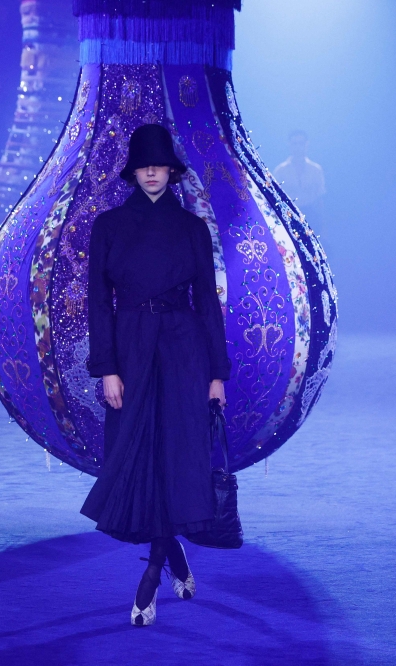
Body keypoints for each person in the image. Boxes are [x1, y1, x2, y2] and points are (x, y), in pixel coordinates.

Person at [82, 124, 231, 627]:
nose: (151, 171)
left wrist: (217, 372)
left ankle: (151, 575)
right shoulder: (109, 227)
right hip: (130, 350)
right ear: (133, 171)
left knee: (178, 458)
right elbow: (98, 304)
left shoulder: (193, 229)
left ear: (171, 169)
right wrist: (106, 368)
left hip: (185, 350)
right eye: (143, 164)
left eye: (159, 164)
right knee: (137, 457)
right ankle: (176, 557)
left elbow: (208, 303)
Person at [272, 130, 326, 228]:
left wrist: (323, 225)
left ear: (306, 144)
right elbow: (275, 198)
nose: (298, 147)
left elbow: (320, 199)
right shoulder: (280, 170)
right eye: (294, 143)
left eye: (301, 143)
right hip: (289, 215)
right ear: (289, 145)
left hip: (311, 216)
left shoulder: (316, 169)